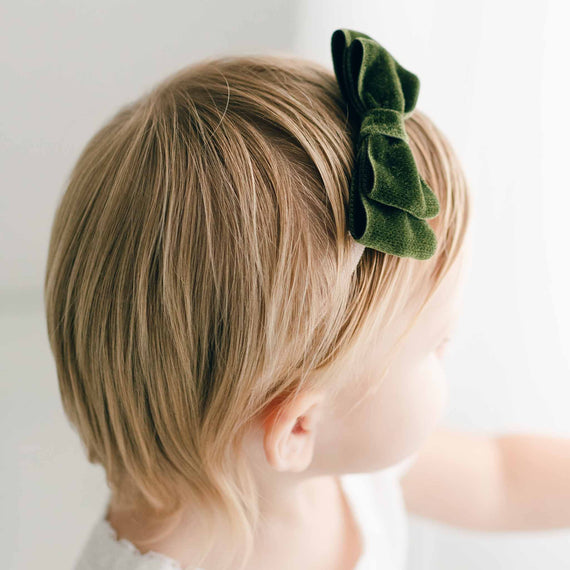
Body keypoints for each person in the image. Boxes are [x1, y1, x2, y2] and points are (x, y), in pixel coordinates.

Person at [43, 28, 570, 570]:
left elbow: (499, 478)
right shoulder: (345, 434)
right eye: (438, 343)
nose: (450, 351)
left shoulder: (340, 447)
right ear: (298, 426)